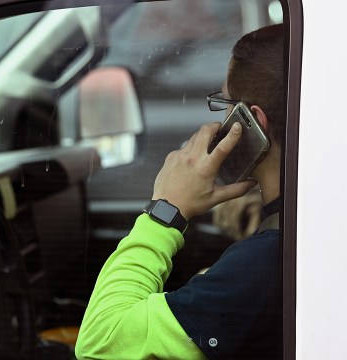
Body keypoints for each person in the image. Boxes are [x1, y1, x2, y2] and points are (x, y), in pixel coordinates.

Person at [75, 24, 284, 359]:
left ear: (253, 121)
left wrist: (164, 211)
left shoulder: (267, 263)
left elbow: (101, 340)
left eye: (225, 104)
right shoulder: (295, 235)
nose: (223, 119)